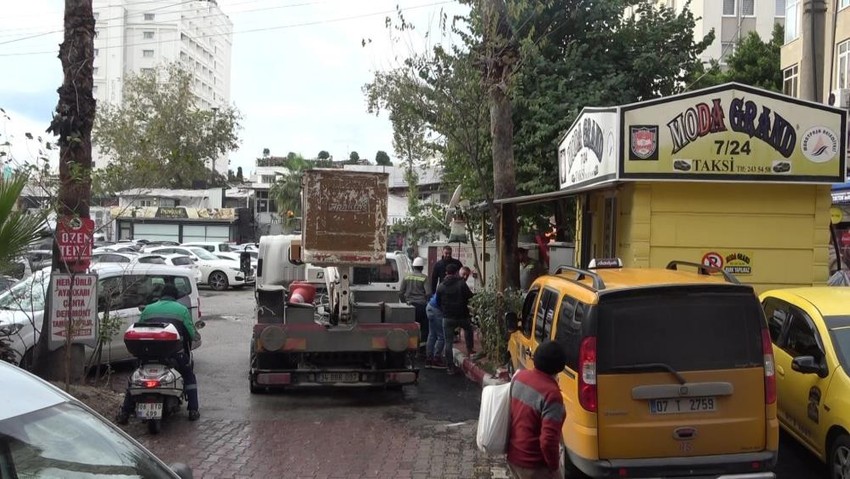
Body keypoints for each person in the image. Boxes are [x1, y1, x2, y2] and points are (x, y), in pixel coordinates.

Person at [116, 284, 200, 423]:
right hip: (173, 355)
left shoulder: (149, 309)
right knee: (189, 376)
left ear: (161, 296)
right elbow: (191, 333)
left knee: (134, 380)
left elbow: (140, 328)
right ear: (175, 297)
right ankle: (193, 410)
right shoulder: (182, 310)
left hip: (147, 354)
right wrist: (195, 336)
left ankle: (125, 412)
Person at [506, 341, 568, 479]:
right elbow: (548, 440)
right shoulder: (552, 394)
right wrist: (554, 468)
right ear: (559, 367)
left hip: (514, 457)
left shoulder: (519, 377)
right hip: (534, 466)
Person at [437, 263, 474, 375]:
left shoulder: (441, 286)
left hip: (447, 317)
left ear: (446, 273)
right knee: (468, 330)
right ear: (456, 272)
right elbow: (470, 297)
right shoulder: (461, 284)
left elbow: (438, 302)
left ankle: (450, 367)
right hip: (462, 315)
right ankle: (470, 351)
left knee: (448, 343)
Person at [400, 257, 431, 350]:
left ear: (413, 267)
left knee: (408, 326)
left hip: (409, 306)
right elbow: (428, 293)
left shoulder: (406, 277)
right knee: (425, 326)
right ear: (421, 267)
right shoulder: (424, 278)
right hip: (421, 306)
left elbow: (401, 292)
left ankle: (407, 345)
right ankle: (422, 348)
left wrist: (404, 302)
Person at [424, 292, 446, 369]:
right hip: (437, 310)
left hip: (430, 306)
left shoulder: (444, 285)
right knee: (442, 336)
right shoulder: (455, 289)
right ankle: (436, 359)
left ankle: (429, 359)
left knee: (432, 334)